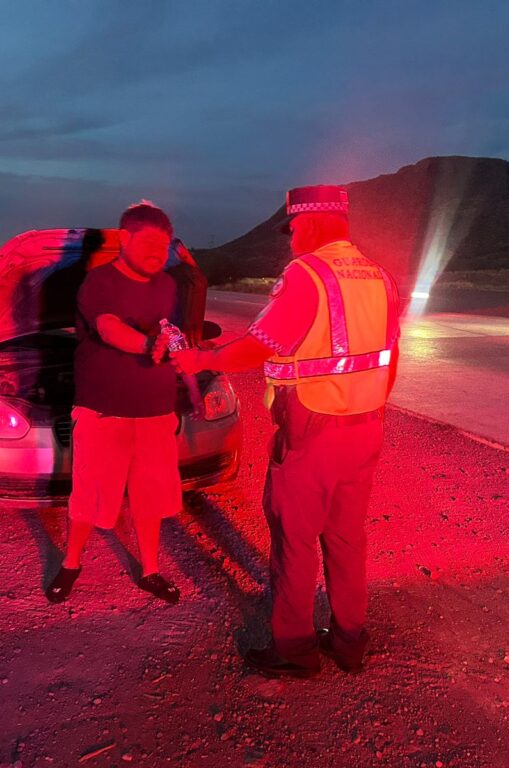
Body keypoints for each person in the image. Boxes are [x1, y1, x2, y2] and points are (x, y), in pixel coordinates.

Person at [173, 184, 401, 677]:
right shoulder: (380, 276)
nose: (291, 238)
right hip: (366, 425)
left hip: (313, 427)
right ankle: (349, 640)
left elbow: (261, 346)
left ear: (314, 224)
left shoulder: (308, 275)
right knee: (346, 537)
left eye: (293, 227)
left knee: (295, 538)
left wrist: (202, 358)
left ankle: (294, 649)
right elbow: (390, 355)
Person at [45, 201, 185, 604]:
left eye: (164, 246)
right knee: (90, 494)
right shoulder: (98, 283)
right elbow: (108, 328)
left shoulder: (168, 285)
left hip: (156, 410)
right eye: (149, 244)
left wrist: (175, 348)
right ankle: (71, 564)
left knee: (150, 495)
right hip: (104, 410)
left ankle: (151, 570)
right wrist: (146, 346)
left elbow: (166, 330)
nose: (158, 253)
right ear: (125, 239)